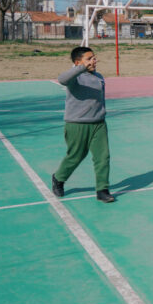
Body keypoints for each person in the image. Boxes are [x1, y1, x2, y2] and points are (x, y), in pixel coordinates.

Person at [51, 46, 115, 203]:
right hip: (77, 124)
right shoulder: (75, 77)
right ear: (78, 62)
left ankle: (102, 190)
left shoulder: (99, 76)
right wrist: (81, 68)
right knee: (76, 156)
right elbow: (62, 79)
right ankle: (58, 178)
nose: (94, 60)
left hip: (98, 124)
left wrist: (102, 114)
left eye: (94, 57)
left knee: (103, 157)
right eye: (89, 58)